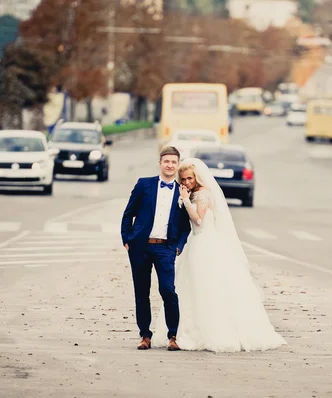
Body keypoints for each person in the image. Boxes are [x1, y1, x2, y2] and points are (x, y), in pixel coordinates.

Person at [153, 158, 287, 353]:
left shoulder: (202, 194)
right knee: (191, 287)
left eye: (189, 178)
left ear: (196, 177)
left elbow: (198, 220)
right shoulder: (193, 192)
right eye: (183, 179)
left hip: (206, 244)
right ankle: (188, 329)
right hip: (196, 243)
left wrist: (184, 201)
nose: (186, 182)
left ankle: (213, 331)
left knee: (208, 287)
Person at [121, 146, 192, 351]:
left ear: (178, 165)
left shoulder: (182, 191)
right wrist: (127, 239)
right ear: (160, 163)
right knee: (141, 292)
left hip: (165, 249)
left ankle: (173, 335)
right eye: (166, 161)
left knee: (168, 290)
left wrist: (178, 247)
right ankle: (145, 335)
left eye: (173, 162)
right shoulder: (144, 185)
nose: (170, 165)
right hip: (140, 247)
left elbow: (186, 226)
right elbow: (129, 213)